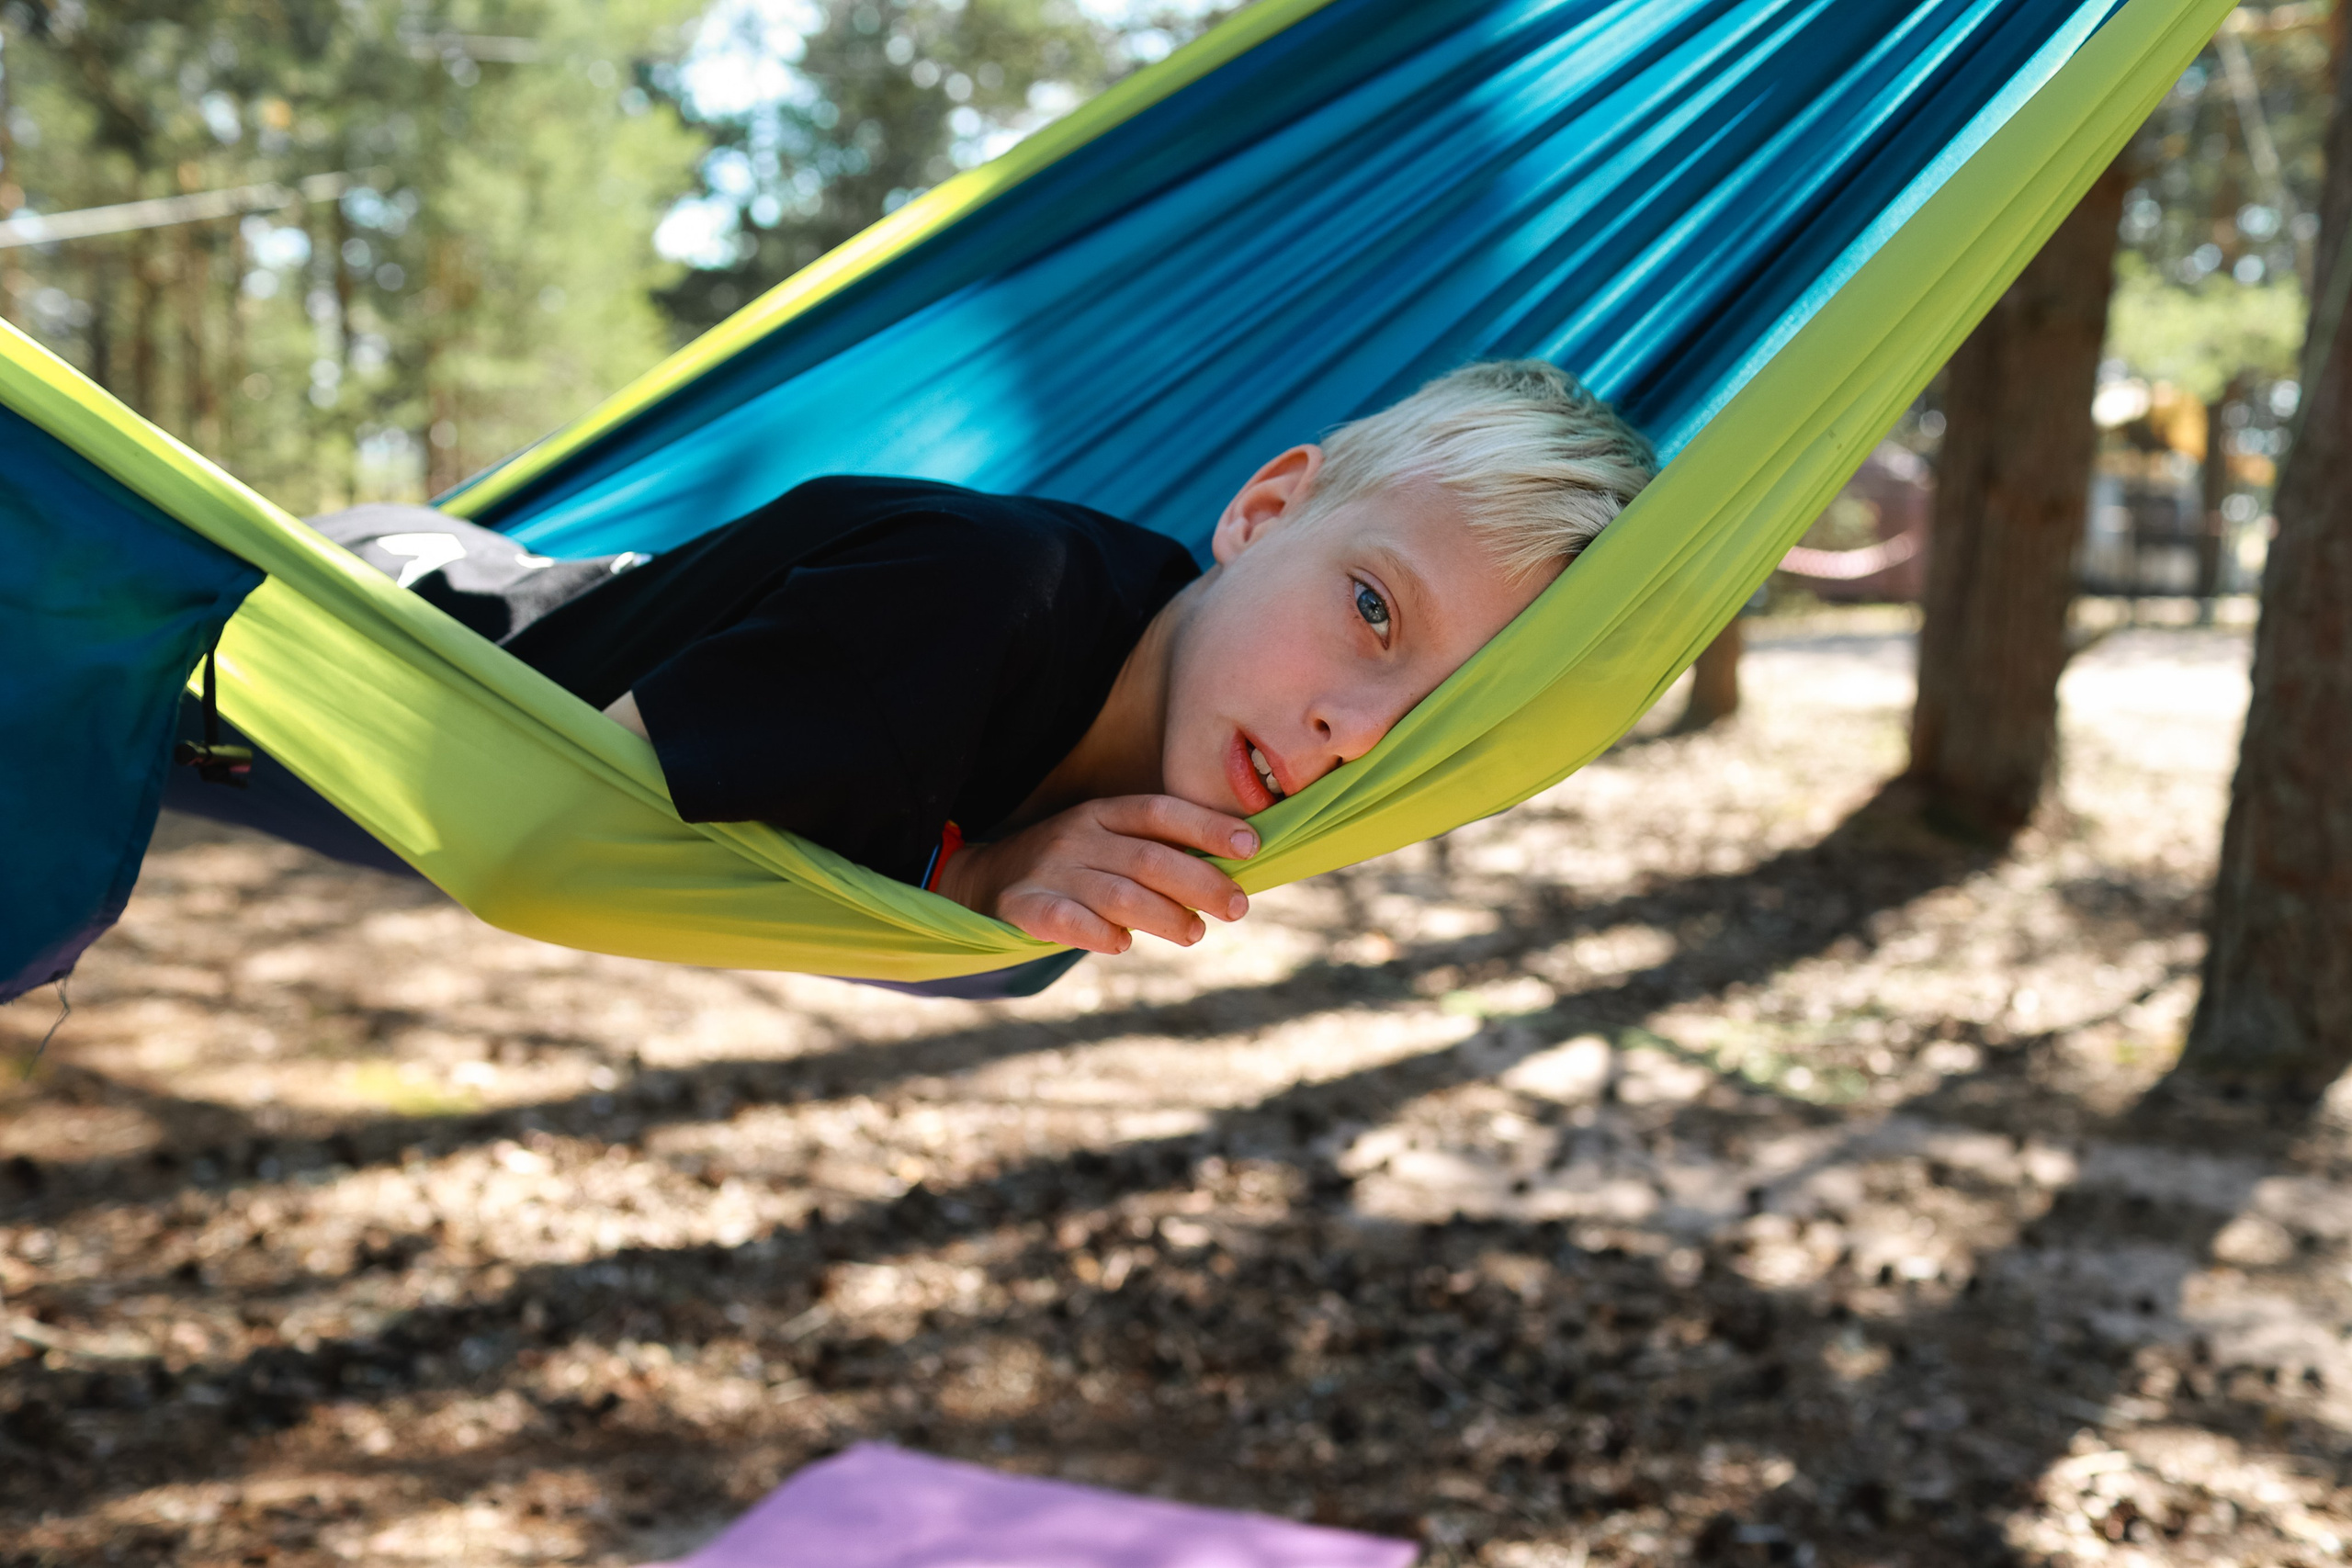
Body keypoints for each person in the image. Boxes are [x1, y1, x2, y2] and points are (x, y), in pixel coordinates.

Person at [311, 360, 1655, 956]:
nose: (1361, 735)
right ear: (1260, 513)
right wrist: (966, 877)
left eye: (1432, 716)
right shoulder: (975, 598)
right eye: (1373, 610)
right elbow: (553, 846)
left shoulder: (1188, 748)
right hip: (365, 623)